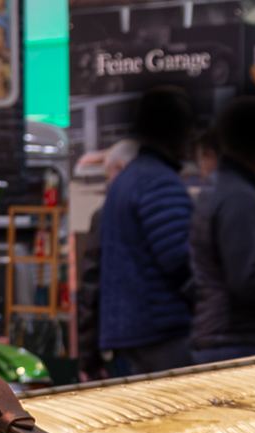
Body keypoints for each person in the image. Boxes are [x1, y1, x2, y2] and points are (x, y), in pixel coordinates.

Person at [96, 87, 198, 377]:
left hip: (129, 330)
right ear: (173, 128)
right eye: (189, 123)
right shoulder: (159, 182)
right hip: (159, 330)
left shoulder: (128, 179)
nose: (194, 133)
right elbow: (179, 260)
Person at [189, 96, 255, 365]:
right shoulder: (238, 197)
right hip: (237, 344)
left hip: (228, 340)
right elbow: (247, 281)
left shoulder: (230, 189)